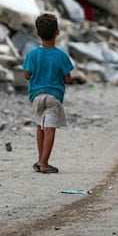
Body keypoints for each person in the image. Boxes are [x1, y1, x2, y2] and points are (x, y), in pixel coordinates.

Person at [22, 12, 74, 174]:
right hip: (53, 97)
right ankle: (44, 164)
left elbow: (26, 75)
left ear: (37, 34)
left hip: (36, 97)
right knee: (50, 129)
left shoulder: (32, 54)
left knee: (40, 127)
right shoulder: (61, 56)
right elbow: (67, 79)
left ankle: (40, 159)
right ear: (57, 32)